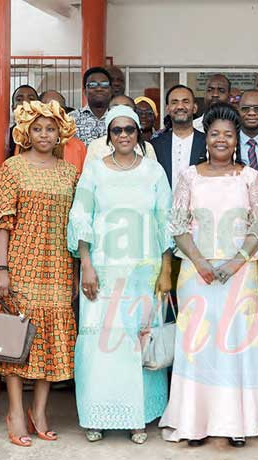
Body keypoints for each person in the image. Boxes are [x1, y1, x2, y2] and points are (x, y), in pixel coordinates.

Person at [160, 103, 258, 447]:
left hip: (239, 275)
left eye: (228, 134)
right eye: (214, 134)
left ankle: (235, 422)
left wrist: (235, 263)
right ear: (205, 140)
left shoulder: (250, 177)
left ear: (236, 140)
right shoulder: (189, 176)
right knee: (199, 344)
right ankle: (195, 421)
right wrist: (200, 262)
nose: (221, 140)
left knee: (235, 343)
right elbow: (177, 225)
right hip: (197, 273)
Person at [68, 105, 172, 444]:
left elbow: (166, 222)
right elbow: (81, 218)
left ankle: (138, 417)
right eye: (117, 130)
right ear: (108, 136)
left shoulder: (154, 172)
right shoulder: (94, 170)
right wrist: (86, 265)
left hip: (145, 270)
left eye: (129, 129)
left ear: (138, 133)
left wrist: (166, 269)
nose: (124, 135)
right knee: (101, 344)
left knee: (137, 343)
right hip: (102, 270)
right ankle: (97, 414)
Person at [0, 100, 79, 448]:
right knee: (14, 339)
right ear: (26, 132)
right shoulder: (13, 167)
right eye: (37, 128)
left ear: (60, 133)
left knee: (50, 339)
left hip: (59, 265)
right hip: (20, 263)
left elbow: (75, 224)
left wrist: (78, 271)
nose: (44, 135)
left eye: (50, 129)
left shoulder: (69, 173)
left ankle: (40, 411)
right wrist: (1, 268)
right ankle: (16, 412)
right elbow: (2, 222)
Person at [153, 85, 206, 189]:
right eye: (174, 102)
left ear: (194, 108)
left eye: (185, 101)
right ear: (168, 109)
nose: (180, 106)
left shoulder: (207, 142)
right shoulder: (156, 145)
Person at [85, 95, 158, 163]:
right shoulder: (96, 146)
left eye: (126, 108)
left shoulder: (147, 148)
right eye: (115, 108)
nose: (121, 111)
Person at [70, 67, 112, 145]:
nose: (99, 88)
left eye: (104, 84)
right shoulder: (71, 118)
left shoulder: (118, 117)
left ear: (110, 90)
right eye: (92, 85)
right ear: (85, 91)